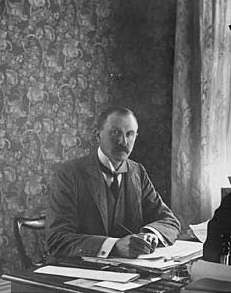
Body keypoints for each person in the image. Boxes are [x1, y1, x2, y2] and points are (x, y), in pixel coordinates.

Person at [46, 105, 181, 259]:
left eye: (130, 134)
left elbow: (169, 221)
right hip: (79, 269)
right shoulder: (69, 174)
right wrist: (114, 246)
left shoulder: (137, 172)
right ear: (98, 136)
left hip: (128, 273)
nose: (123, 141)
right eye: (115, 133)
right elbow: (57, 239)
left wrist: (149, 235)